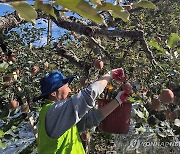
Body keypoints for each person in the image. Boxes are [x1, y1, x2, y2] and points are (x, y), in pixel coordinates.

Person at [36, 68, 128, 154]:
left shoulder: (59, 115)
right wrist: (110, 75)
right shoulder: (54, 111)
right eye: (67, 86)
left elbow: (90, 120)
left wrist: (118, 100)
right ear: (53, 93)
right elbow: (87, 96)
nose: (70, 90)